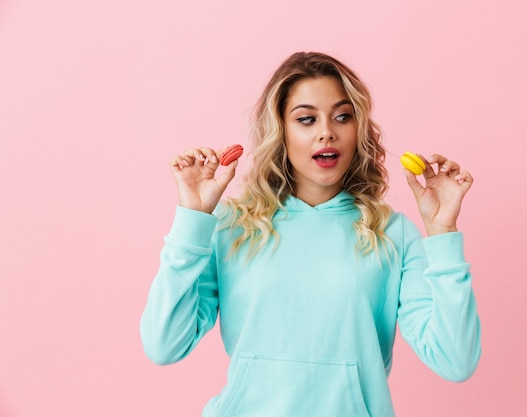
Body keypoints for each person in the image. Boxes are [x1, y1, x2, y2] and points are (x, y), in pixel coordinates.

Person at [140, 52, 481, 417]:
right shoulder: (231, 227)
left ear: (358, 129)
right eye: (306, 119)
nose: (326, 132)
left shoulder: (392, 234)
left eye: (343, 116)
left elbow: (456, 361)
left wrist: (442, 230)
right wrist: (192, 218)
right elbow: (164, 345)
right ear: (280, 131)